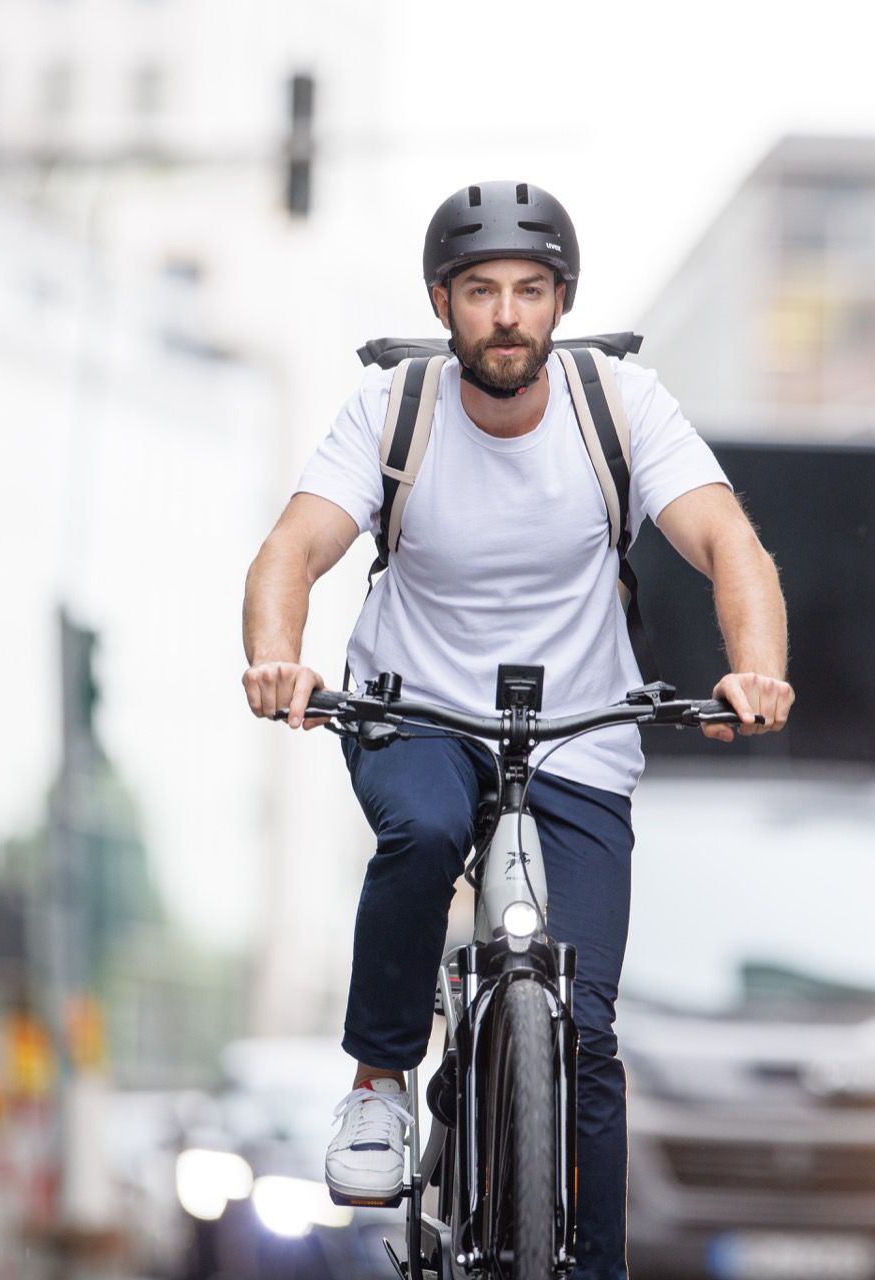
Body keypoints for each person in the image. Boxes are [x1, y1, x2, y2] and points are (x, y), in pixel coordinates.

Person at [239, 181, 794, 1279]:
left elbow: (731, 543)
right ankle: (380, 1085)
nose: (507, 314)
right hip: (415, 708)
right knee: (425, 833)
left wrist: (758, 670)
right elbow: (291, 552)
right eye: (482, 290)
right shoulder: (395, 409)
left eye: (530, 291)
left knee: (586, 1025)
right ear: (444, 303)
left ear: (561, 301)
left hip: (580, 731)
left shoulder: (619, 404)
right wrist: (277, 653)